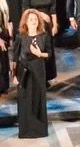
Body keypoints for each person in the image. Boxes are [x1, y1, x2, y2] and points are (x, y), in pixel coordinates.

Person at [13, 7, 53, 139]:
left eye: (35, 19)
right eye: (31, 19)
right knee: (25, 100)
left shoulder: (44, 36)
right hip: (23, 72)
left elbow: (50, 54)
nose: (34, 21)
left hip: (39, 70)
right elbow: (15, 57)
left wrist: (39, 54)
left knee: (38, 99)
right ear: (26, 22)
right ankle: (26, 131)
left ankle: (39, 130)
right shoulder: (20, 37)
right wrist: (14, 75)